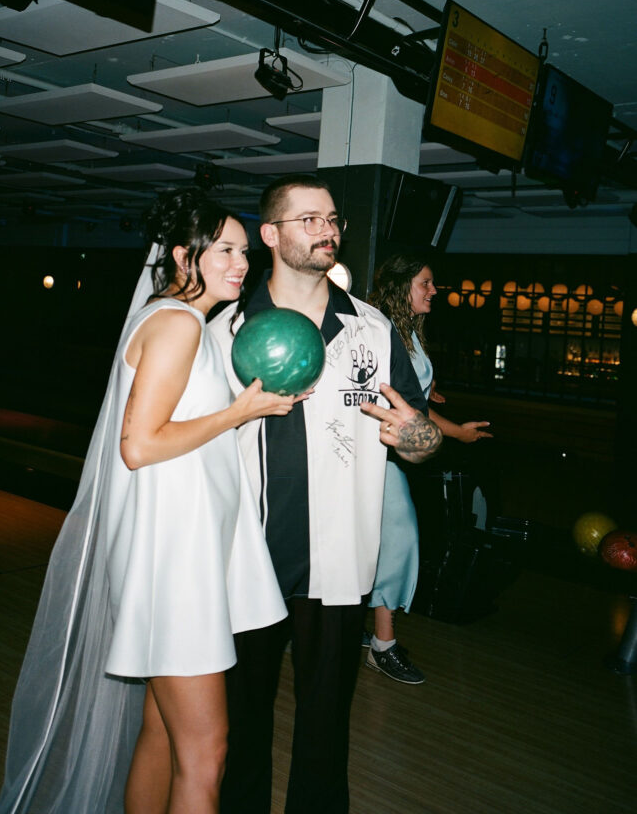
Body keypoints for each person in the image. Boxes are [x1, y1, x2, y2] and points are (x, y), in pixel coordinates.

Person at [0, 189, 297, 814]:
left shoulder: (185, 321)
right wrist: (239, 412)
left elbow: (177, 432)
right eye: (228, 251)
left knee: (162, 735)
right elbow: (140, 445)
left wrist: (246, 412)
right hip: (174, 566)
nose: (243, 263)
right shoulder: (178, 324)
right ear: (186, 257)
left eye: (244, 251)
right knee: (207, 752)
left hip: (180, 555)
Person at [209, 174, 443, 814]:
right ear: (270, 235)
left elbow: (421, 441)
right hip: (246, 561)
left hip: (340, 563)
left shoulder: (370, 330)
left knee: (325, 726)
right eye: (308, 219)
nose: (328, 230)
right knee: (242, 724)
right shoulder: (224, 332)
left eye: (333, 218)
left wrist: (417, 435)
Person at [364, 252, 492, 685]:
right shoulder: (380, 332)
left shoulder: (410, 331)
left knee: (380, 541)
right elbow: (404, 408)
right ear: (403, 287)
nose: (434, 291)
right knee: (398, 538)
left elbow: (416, 389)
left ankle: (364, 628)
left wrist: (429, 388)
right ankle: (382, 645)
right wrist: (457, 432)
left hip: (394, 454)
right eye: (426, 283)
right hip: (372, 453)